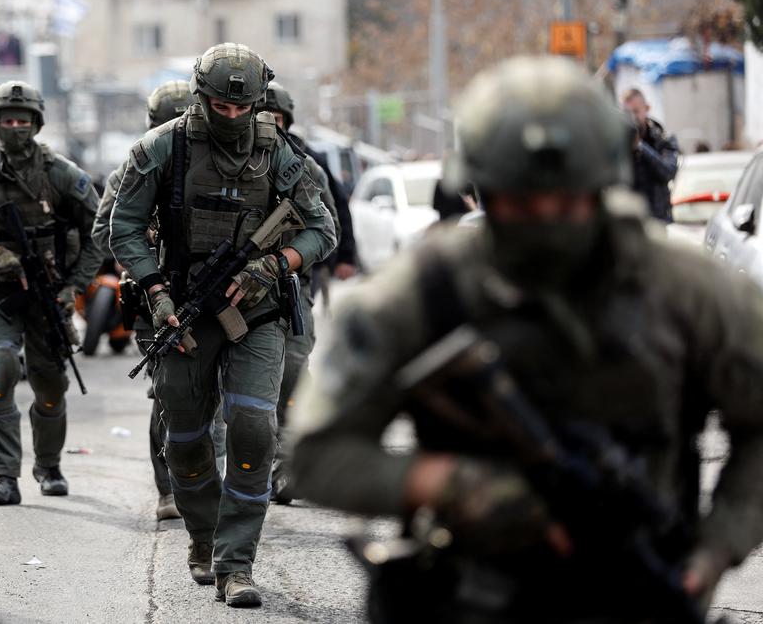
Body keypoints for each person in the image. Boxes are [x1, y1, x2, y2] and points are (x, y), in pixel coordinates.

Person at [290, 56, 763, 623]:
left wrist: (715, 550)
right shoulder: (423, 290)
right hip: (468, 595)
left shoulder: (687, 289)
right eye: (518, 203)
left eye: (567, 203)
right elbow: (317, 454)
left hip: (642, 590)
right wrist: (449, 485)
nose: (544, 220)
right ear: (480, 190)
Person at [109, 43, 336, 608]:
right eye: (218, 106)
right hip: (183, 310)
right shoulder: (162, 149)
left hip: (256, 311)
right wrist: (156, 292)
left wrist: (276, 263)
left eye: (242, 108)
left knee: (254, 427)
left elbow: (321, 228)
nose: (230, 117)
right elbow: (124, 228)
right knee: (182, 438)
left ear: (258, 102)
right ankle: (204, 537)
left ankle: (237, 563)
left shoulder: (277, 153)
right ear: (200, 95)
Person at [0, 80, 101, 506]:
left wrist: (74, 286)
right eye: (7, 120)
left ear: (36, 123)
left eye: (23, 119)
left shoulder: (62, 175)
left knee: (50, 386)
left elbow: (99, 230)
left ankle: (48, 466)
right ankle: (3, 476)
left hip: (50, 295)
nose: (15, 127)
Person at [91, 78, 194, 523]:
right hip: (153, 298)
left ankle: (215, 486)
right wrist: (144, 246)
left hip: (205, 293)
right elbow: (103, 232)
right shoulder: (133, 168)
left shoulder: (210, 164)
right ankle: (168, 489)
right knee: (168, 394)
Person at [256, 81, 343, 505]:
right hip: (233, 294)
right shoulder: (226, 166)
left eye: (277, 118)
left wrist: (286, 257)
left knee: (290, 374)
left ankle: (286, 466)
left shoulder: (305, 170)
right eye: (262, 116)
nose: (269, 125)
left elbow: (329, 232)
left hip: (288, 290)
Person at [622, 88, 679, 222]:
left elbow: (668, 172)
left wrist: (640, 147)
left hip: (657, 220)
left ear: (647, 108)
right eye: (627, 113)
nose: (632, 118)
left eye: (636, 111)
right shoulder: (618, 142)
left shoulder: (663, 138)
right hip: (629, 222)